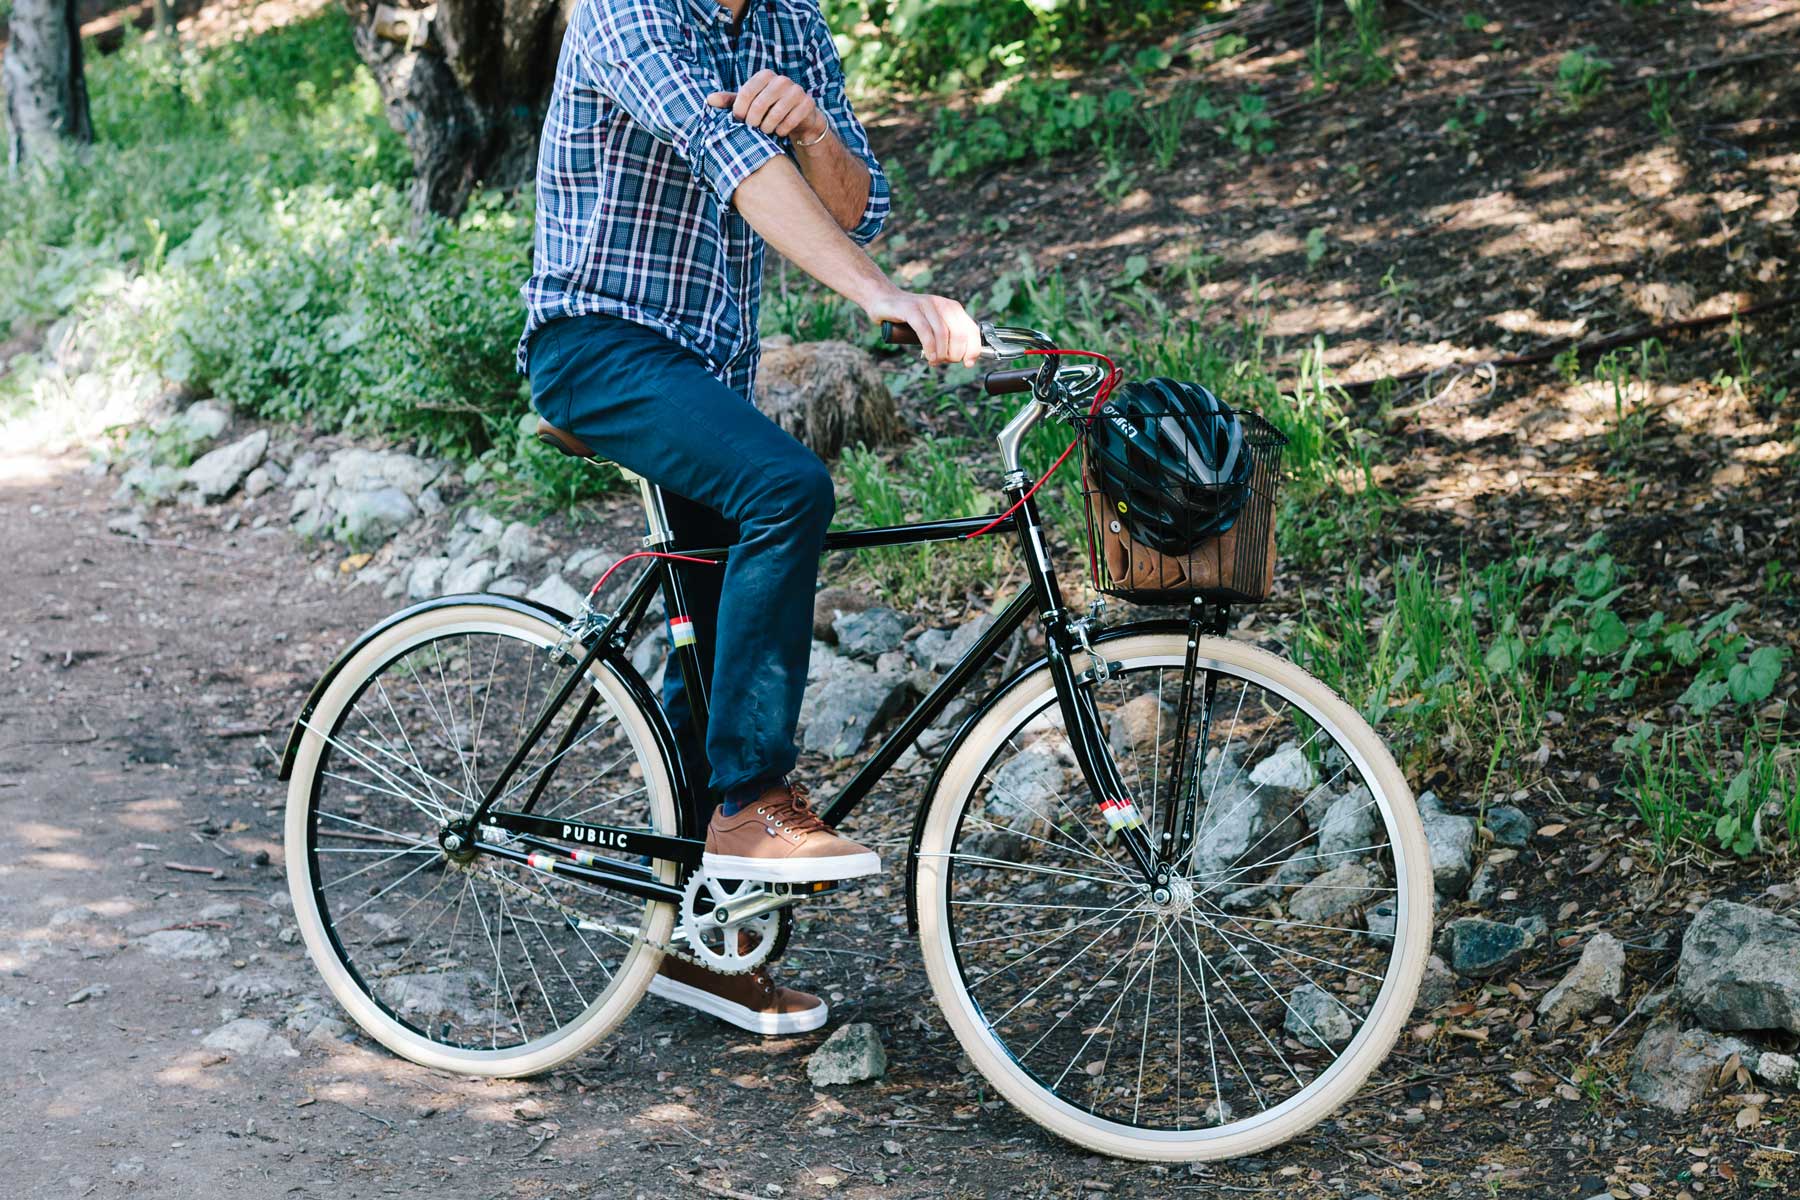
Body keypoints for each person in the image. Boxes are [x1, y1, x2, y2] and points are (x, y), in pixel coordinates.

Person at [518, 0, 981, 1035]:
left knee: (715, 636)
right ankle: (752, 806)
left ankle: (704, 947)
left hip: (705, 371)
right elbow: (730, 159)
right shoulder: (626, 11)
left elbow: (854, 202)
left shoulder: (788, 20)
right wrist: (884, 298)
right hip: (597, 345)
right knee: (788, 489)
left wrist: (816, 131)